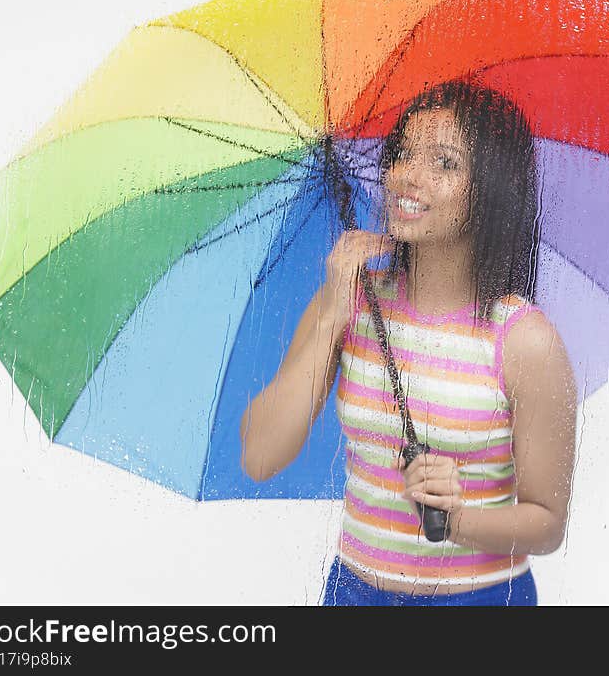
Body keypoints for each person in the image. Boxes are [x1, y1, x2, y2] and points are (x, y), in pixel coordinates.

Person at [240, 79, 577, 606]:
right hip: (352, 592)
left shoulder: (524, 341)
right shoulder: (349, 301)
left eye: (443, 164)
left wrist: (459, 518)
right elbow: (260, 456)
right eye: (401, 155)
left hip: (479, 602)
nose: (406, 177)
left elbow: (548, 523)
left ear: (491, 191)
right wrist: (331, 318)